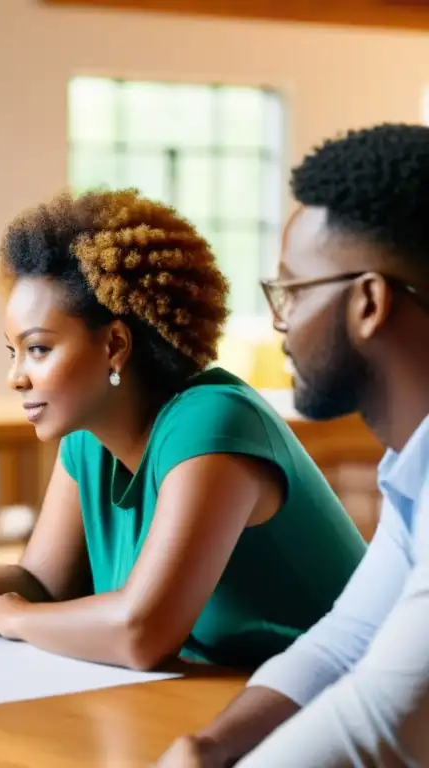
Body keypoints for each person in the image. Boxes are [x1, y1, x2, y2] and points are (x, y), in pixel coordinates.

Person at [0, 188, 367, 672]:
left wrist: (15, 620)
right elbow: (41, 582)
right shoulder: (87, 437)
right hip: (219, 697)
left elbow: (141, 633)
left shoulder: (215, 423)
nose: (16, 376)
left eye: (38, 349)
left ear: (114, 345)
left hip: (348, 713)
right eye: (12, 351)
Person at [156, 123, 429, 767]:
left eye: (292, 292)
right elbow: (343, 644)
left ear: (368, 302)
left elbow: (381, 731)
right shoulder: (410, 466)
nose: (279, 321)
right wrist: (208, 748)